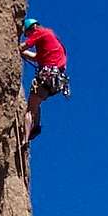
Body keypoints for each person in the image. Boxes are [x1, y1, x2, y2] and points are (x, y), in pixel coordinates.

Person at [20, 17, 70, 145]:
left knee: (30, 108)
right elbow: (37, 57)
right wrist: (23, 54)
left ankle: (25, 139)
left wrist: (14, 48)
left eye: (28, 33)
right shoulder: (51, 37)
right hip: (56, 82)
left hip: (47, 76)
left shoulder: (40, 32)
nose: (29, 36)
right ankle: (35, 127)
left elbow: (25, 46)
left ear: (34, 27)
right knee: (37, 102)